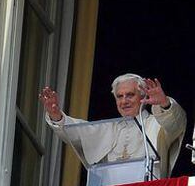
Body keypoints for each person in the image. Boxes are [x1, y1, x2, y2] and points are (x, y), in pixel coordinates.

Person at [39, 73, 186, 179]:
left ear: (143, 97)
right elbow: (75, 133)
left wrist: (164, 103)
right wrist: (56, 115)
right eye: (119, 96)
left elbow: (176, 124)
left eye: (130, 95)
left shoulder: (157, 123)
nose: (124, 101)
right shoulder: (108, 128)